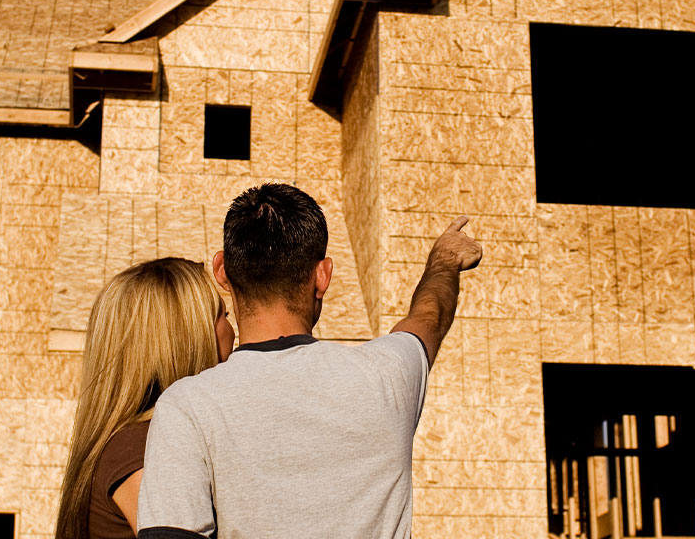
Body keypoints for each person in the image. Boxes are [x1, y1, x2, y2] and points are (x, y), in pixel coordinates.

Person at [136, 183, 481, 539]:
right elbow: (429, 317)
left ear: (221, 270)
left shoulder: (186, 407)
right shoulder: (389, 375)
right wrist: (444, 260)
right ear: (323, 276)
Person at [56, 258, 237, 539]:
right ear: (189, 337)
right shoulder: (142, 450)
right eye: (223, 315)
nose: (234, 331)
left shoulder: (135, 442)